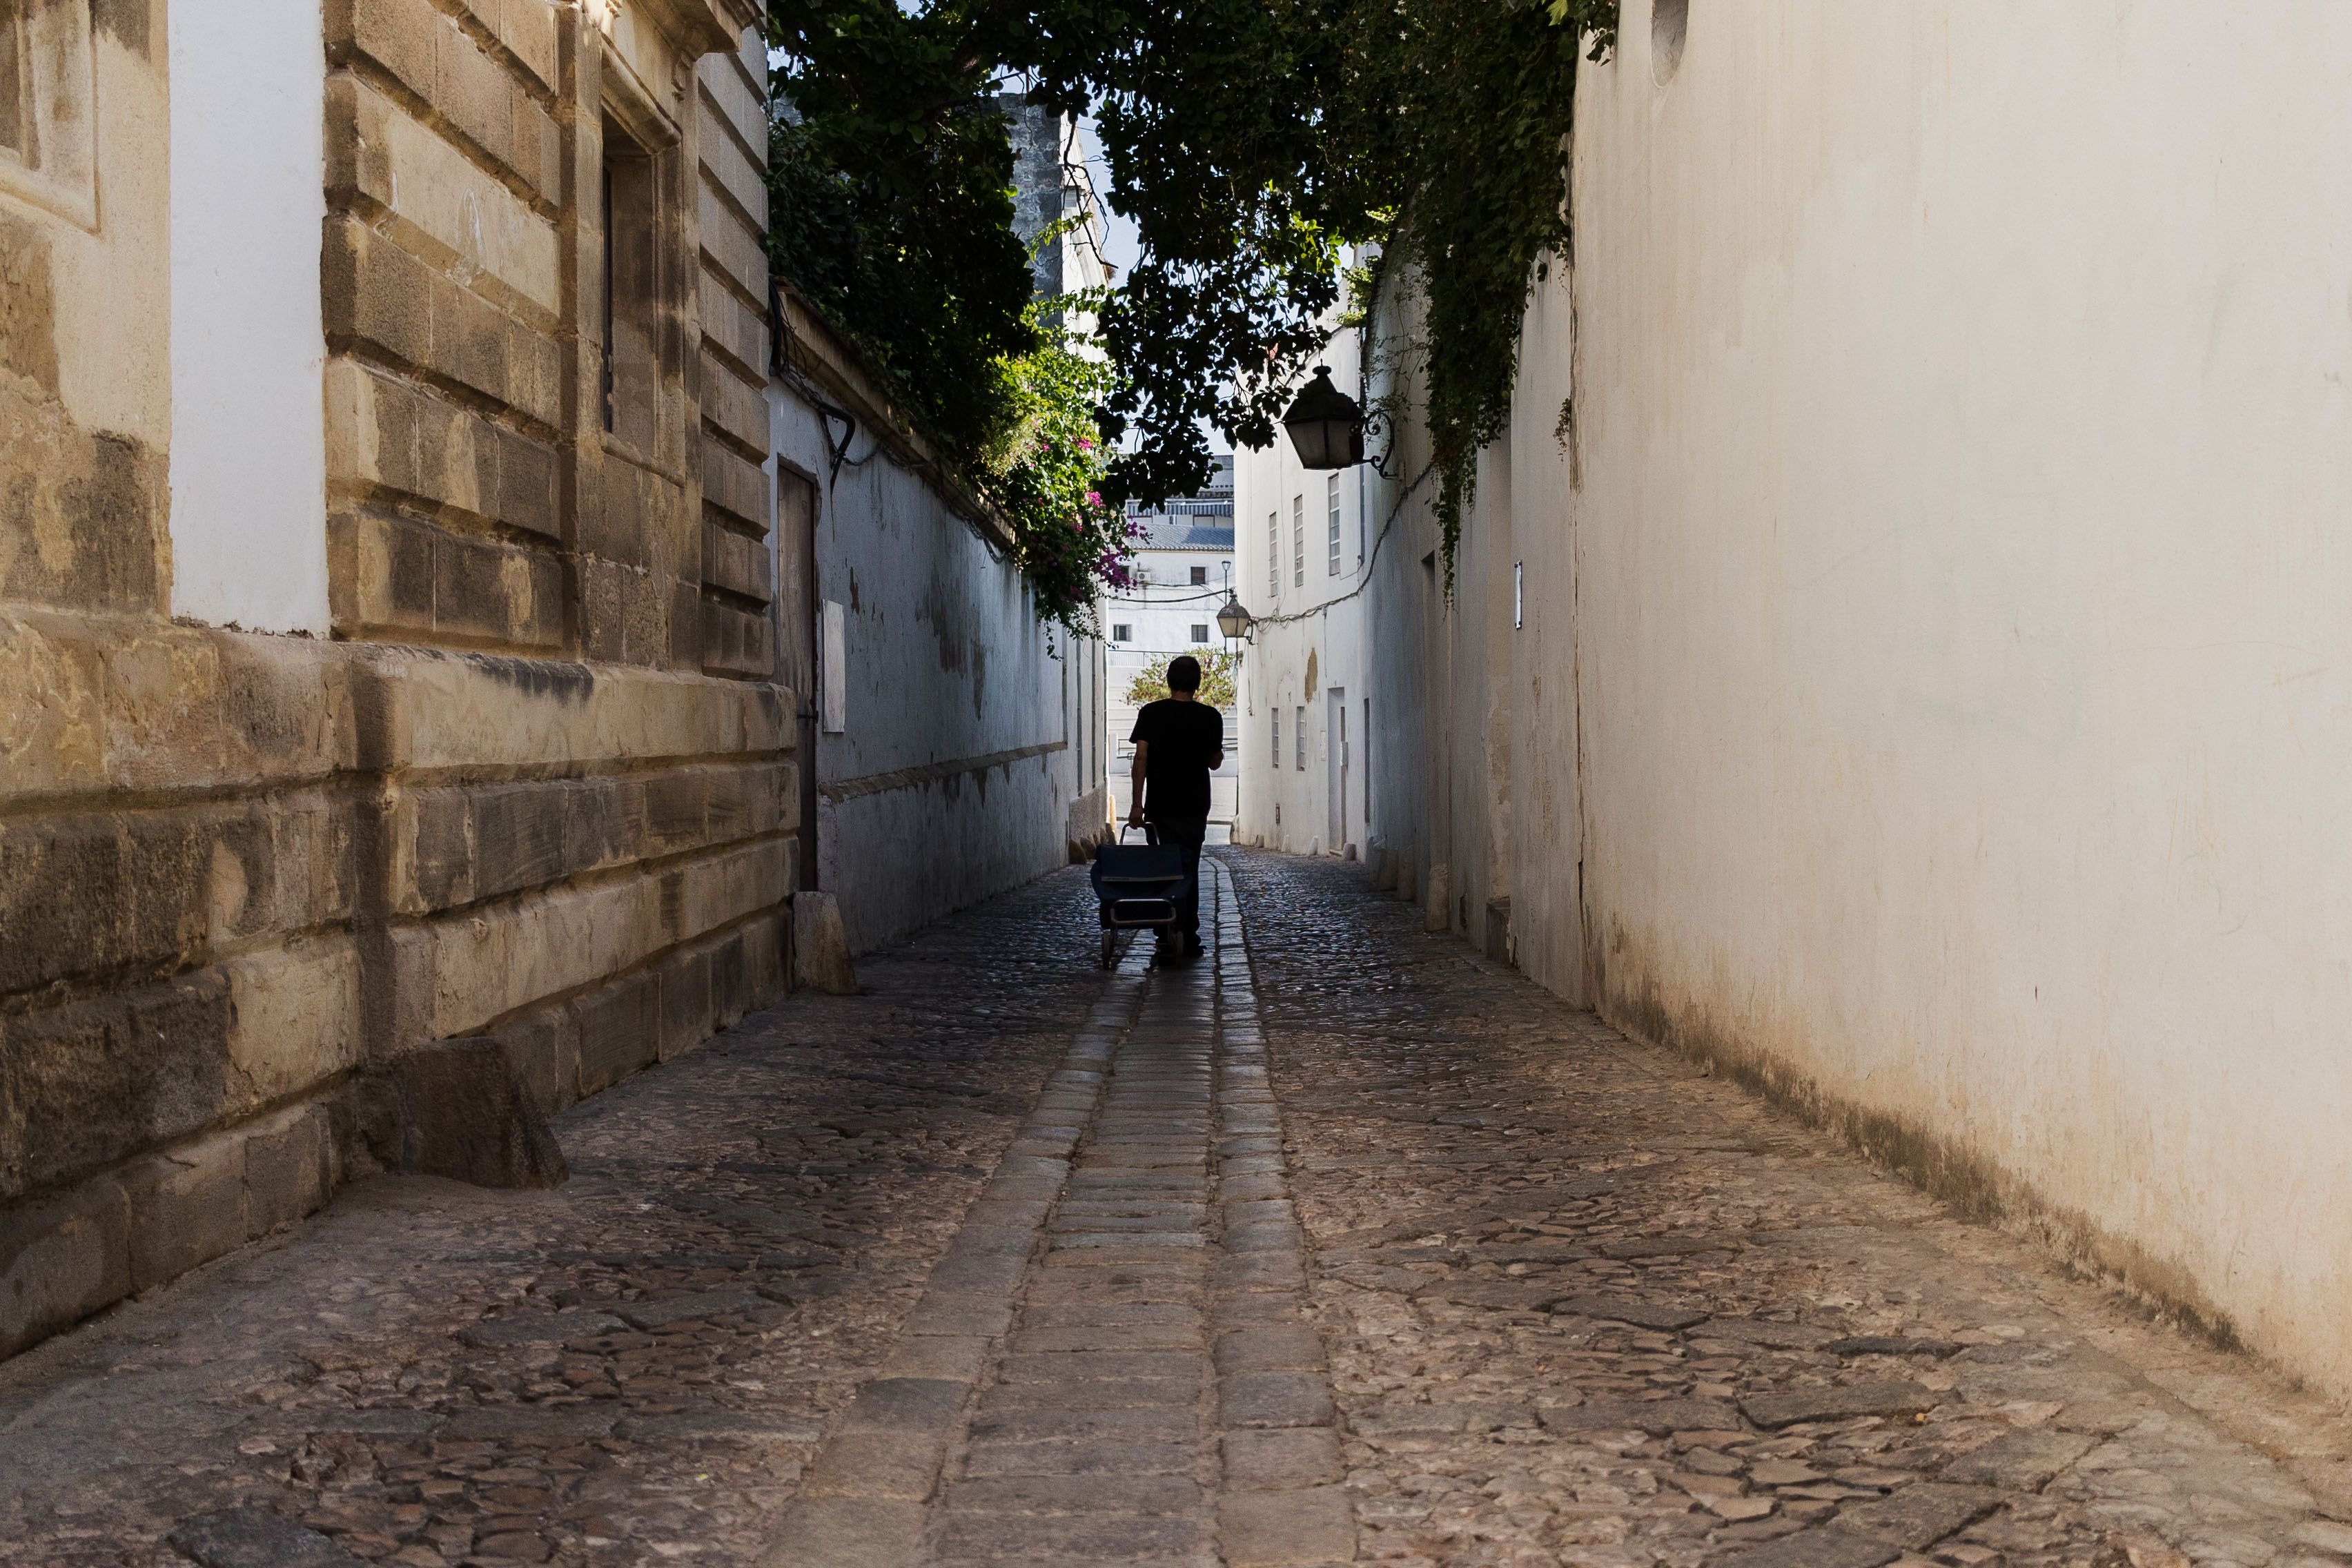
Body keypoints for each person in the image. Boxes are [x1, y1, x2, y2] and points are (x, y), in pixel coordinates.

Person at [1126, 654, 1224, 963]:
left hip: (1161, 806)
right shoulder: (1211, 717)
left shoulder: (1151, 713)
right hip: (1195, 805)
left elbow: (1140, 758)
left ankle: (1165, 934)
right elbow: (1214, 762)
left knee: (1164, 869)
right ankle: (1188, 934)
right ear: (1198, 684)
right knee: (1189, 869)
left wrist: (1136, 804)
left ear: (1169, 681)